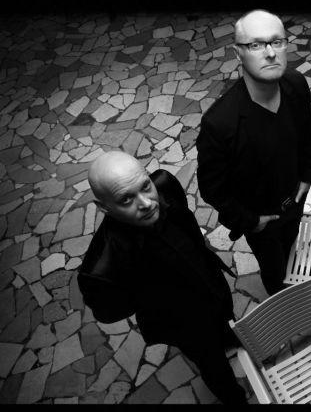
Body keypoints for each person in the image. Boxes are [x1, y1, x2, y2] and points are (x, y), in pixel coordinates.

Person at [77, 151, 247, 405]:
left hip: (211, 284)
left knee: (226, 320)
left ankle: (228, 336)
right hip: (183, 321)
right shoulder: (101, 268)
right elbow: (109, 311)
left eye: (145, 186)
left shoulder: (165, 185)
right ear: (104, 207)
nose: (146, 203)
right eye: (126, 199)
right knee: (212, 364)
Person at [196, 9, 311, 295]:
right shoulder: (220, 122)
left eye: (277, 42)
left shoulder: (295, 84)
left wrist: (306, 174)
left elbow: (306, 131)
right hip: (262, 218)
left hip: (295, 199)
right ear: (238, 53)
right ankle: (282, 300)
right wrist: (251, 221)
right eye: (256, 45)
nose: (270, 53)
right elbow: (212, 188)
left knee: (290, 245)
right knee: (274, 269)